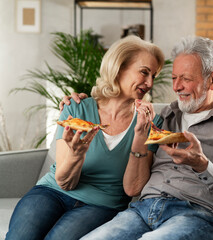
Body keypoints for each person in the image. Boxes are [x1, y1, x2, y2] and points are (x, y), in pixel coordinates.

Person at [63, 36, 213, 240]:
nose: (176, 87)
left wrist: (202, 165)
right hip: (141, 211)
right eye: (174, 78)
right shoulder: (163, 117)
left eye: (186, 79)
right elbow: (133, 186)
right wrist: (81, 101)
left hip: (196, 216)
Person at [6, 35, 165, 240]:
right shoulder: (76, 109)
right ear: (118, 67)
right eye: (144, 72)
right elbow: (64, 183)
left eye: (154, 76)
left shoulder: (151, 122)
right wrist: (77, 154)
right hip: (51, 192)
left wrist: (140, 134)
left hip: (101, 205)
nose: (150, 82)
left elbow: (132, 188)